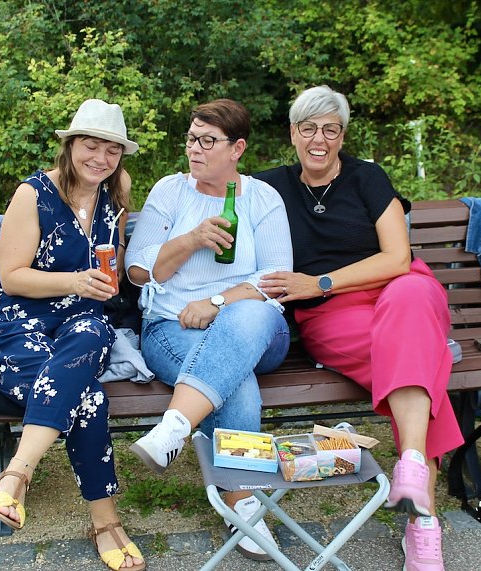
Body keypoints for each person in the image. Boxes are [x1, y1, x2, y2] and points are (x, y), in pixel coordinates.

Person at [255, 85, 464, 571]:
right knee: (416, 361)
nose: (319, 139)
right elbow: (214, 187)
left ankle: (417, 491)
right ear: (293, 133)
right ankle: (421, 513)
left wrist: (320, 281)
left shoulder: (369, 177)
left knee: (410, 302)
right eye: (308, 128)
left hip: (398, 290)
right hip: (333, 315)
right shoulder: (269, 187)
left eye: (330, 129)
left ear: (343, 135)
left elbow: (398, 258)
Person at [124, 99, 292, 561]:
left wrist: (216, 303)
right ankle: (244, 505)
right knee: (237, 383)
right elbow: (137, 270)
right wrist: (191, 239)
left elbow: (276, 280)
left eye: (207, 141)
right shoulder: (171, 192)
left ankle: (175, 427)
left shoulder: (261, 199)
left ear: (237, 148)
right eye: (191, 139)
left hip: (256, 330)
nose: (194, 150)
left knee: (249, 316)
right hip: (170, 327)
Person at [0, 99, 146, 571]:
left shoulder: (117, 192)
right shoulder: (32, 194)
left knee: (95, 331)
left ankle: (15, 475)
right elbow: (11, 277)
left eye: (112, 150)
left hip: (82, 322)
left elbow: (109, 265)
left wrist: (100, 283)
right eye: (90, 146)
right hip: (22, 320)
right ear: (71, 145)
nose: (100, 158)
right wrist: (74, 282)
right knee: (88, 398)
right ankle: (103, 520)